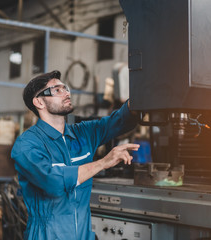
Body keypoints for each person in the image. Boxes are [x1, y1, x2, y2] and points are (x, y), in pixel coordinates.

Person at [11, 70, 139, 240]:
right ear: (39, 102)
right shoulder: (27, 145)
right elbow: (53, 183)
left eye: (65, 88)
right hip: (47, 235)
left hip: (83, 235)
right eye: (57, 90)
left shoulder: (83, 133)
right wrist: (103, 162)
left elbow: (119, 121)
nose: (66, 93)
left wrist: (141, 95)